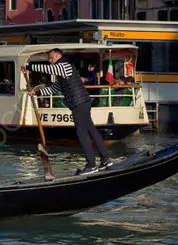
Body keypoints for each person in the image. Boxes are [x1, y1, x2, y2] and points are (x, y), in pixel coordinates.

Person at [22, 48, 113, 176]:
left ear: (58, 56)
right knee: (91, 130)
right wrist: (36, 92)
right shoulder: (62, 72)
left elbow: (49, 70)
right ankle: (105, 159)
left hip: (79, 104)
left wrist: (29, 67)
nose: (50, 60)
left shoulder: (64, 66)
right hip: (83, 103)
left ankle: (91, 165)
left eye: (51, 58)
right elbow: (54, 88)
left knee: (82, 134)